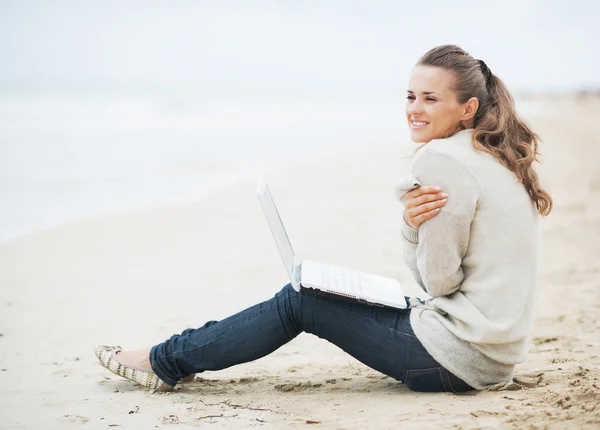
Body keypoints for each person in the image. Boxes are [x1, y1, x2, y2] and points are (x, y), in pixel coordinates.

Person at [94, 45, 552, 393]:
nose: (414, 108)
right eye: (411, 95)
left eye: (431, 98)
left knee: (300, 301)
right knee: (323, 290)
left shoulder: (442, 162)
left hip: (457, 361)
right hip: (491, 354)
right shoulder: (492, 153)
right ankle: (173, 356)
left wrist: (411, 228)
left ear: (467, 108)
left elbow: (439, 283)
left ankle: (163, 362)